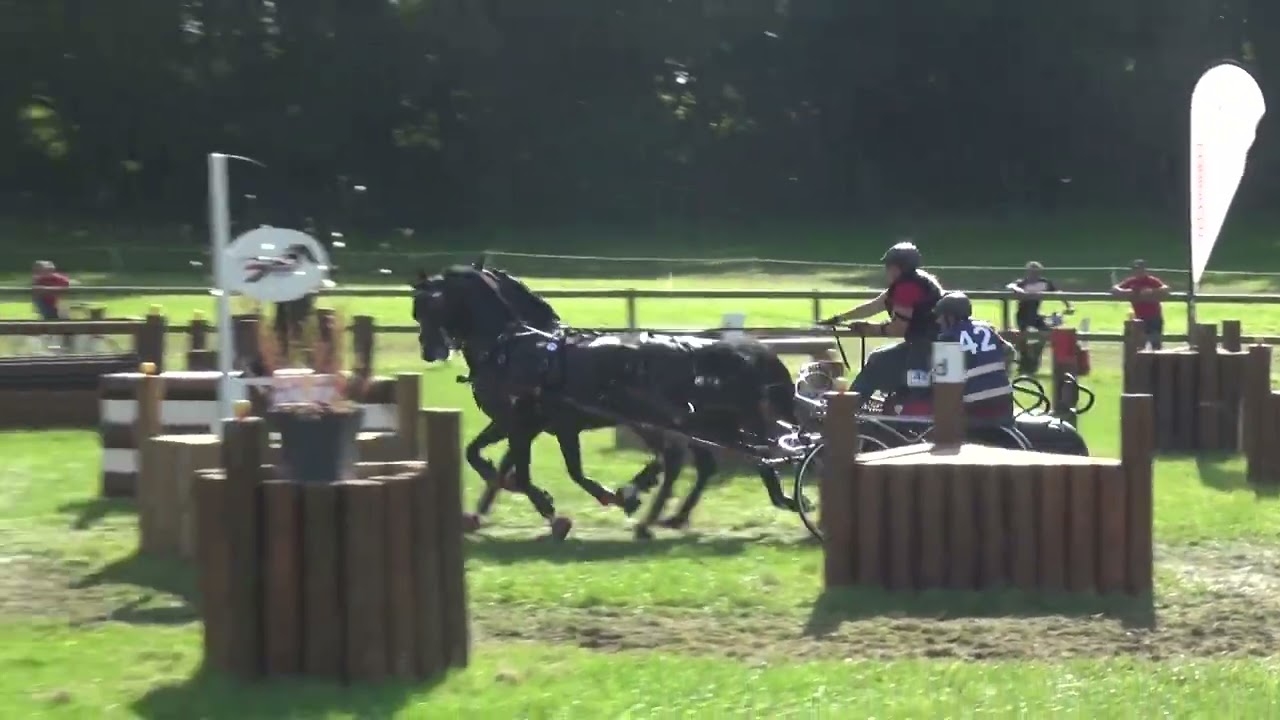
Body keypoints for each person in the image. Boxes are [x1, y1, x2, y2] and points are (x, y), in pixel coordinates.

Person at [820, 241, 944, 405]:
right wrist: (841, 318)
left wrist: (870, 329)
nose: (887, 270)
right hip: (933, 346)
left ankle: (847, 411)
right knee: (878, 356)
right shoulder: (919, 280)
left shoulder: (907, 288)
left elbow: (898, 329)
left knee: (878, 362)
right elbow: (875, 305)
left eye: (889, 266)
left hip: (924, 349)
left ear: (898, 267)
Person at [935, 291, 1016, 421]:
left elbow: (946, 386)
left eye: (940, 316)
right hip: (1004, 400)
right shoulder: (986, 328)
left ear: (950, 317)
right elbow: (1010, 351)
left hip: (973, 406)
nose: (938, 320)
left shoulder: (947, 338)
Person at [1112, 259, 1168, 349]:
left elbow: (1165, 289)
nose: (1137, 272)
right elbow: (1115, 289)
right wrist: (1126, 292)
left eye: (1140, 269)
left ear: (1145, 270)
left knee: (1156, 345)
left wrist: (1151, 291)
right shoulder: (1131, 282)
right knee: (1139, 346)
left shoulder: (1151, 281)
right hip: (1139, 319)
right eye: (1135, 269)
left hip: (1154, 318)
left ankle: (1156, 362)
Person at [1006, 261, 1073, 332]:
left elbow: (1058, 293)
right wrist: (1018, 289)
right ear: (1028, 272)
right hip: (1022, 317)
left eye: (1036, 272)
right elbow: (1010, 286)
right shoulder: (1022, 283)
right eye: (1032, 272)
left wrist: (1068, 306)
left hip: (1035, 316)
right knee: (1023, 338)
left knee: (1047, 333)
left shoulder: (1044, 283)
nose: (1034, 274)